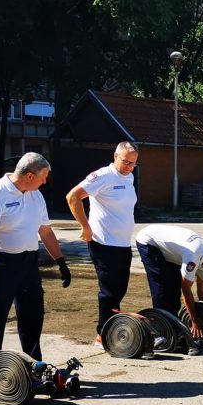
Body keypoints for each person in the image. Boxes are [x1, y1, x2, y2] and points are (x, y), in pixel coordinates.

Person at [0, 153, 71, 367]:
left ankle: (34, 364)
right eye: (43, 176)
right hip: (0, 264)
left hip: (28, 263)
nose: (45, 181)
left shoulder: (35, 195)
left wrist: (61, 261)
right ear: (29, 175)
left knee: (32, 315)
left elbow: (45, 231)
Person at [66, 142, 139, 347]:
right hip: (103, 242)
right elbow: (73, 197)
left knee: (120, 289)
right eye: (125, 161)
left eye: (132, 163)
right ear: (115, 156)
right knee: (108, 291)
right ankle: (102, 334)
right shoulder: (102, 176)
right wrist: (85, 227)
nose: (128, 166)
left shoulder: (129, 177)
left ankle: (112, 328)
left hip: (123, 243)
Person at [135, 225, 203, 339]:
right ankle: (161, 328)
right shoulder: (193, 257)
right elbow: (186, 290)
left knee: (174, 286)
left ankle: (172, 322)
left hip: (170, 249)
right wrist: (194, 320)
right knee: (162, 286)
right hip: (149, 241)